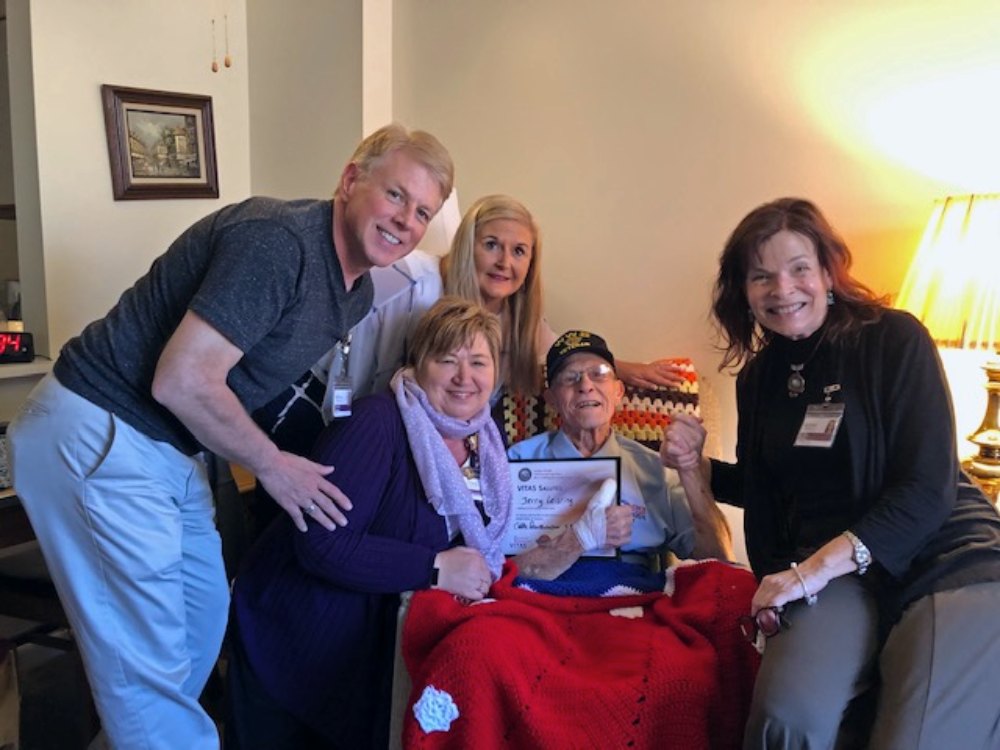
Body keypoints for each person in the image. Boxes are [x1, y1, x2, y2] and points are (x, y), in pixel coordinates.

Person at [7, 123, 454, 749]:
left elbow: (253, 381)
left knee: (198, 627)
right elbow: (183, 381)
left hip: (170, 449)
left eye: (424, 212)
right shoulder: (280, 244)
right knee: (148, 674)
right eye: (397, 196)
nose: (407, 220)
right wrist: (272, 464)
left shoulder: (353, 295)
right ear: (351, 179)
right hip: (100, 432)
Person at [664, 197, 1000, 749]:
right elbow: (765, 485)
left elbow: (926, 486)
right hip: (836, 576)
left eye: (799, 268)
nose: (783, 289)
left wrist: (809, 574)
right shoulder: (760, 378)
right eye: (761, 276)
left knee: (915, 738)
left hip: (942, 558)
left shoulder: (894, 339)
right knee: (785, 720)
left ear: (827, 271)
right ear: (743, 292)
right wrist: (693, 462)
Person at [251, 194, 689, 536]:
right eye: (492, 245)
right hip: (358, 420)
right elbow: (350, 348)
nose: (505, 262)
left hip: (442, 450)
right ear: (468, 246)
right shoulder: (419, 282)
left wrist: (619, 369)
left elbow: (567, 358)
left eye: (520, 251)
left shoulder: (521, 320)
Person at [225, 297, 511, 749]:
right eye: (447, 360)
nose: (464, 377)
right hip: (294, 641)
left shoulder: (486, 441)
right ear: (416, 365)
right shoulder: (375, 422)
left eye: (478, 361)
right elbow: (321, 542)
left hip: (364, 648)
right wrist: (434, 567)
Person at [508, 330, 733, 581]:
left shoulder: (655, 468)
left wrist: (690, 470)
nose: (585, 386)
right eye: (570, 378)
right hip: (542, 594)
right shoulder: (516, 461)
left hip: (632, 596)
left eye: (599, 374)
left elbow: (719, 560)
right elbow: (496, 569)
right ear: (551, 399)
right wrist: (577, 540)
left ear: (618, 391)